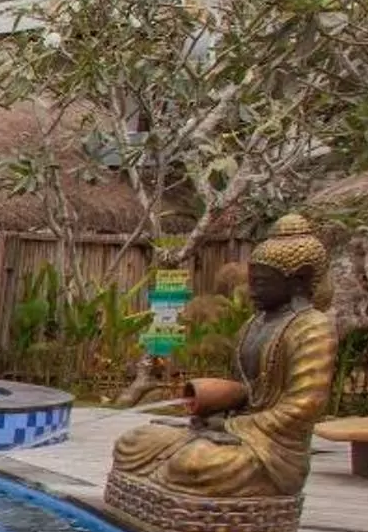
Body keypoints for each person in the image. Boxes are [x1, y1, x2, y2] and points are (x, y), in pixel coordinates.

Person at [111, 214, 337, 499]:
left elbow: (304, 407)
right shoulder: (253, 325)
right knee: (133, 441)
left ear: (298, 280)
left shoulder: (312, 327)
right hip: (231, 430)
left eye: (262, 283)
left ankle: (181, 478)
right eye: (252, 281)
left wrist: (232, 425)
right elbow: (242, 391)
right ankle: (168, 475)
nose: (252, 290)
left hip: (271, 449)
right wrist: (213, 407)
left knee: (191, 463)